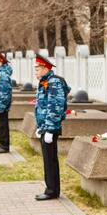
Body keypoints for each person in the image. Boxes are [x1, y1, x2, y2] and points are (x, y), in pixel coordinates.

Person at [34, 54, 71, 200]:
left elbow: (55, 107)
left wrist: (49, 129)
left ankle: (52, 191)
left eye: (37, 70)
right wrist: (41, 126)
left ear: (44, 68)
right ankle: (51, 188)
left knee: (50, 160)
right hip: (46, 126)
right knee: (48, 159)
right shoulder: (46, 81)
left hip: (51, 127)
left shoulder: (53, 82)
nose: (35, 73)